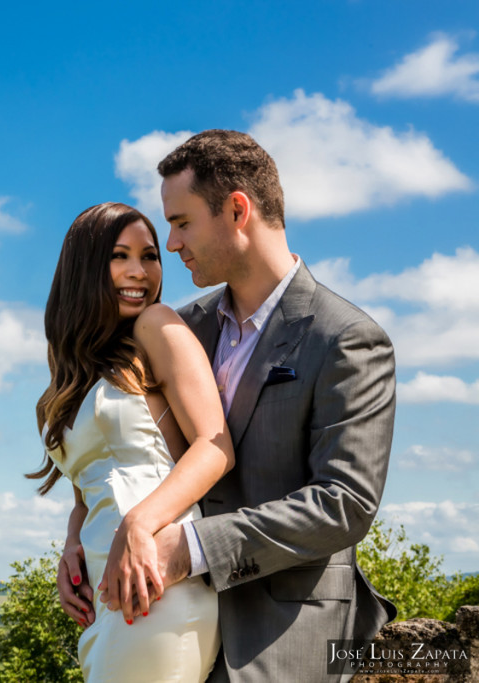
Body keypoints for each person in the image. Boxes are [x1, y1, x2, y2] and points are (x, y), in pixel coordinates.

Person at [57, 130, 397, 682]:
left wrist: (187, 548)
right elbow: (123, 447)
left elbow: (345, 503)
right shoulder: (174, 328)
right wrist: (78, 539)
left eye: (181, 222)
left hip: (279, 634)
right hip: (157, 615)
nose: (170, 244)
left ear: (237, 210)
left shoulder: (345, 338)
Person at [32, 202, 234, 682]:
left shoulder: (156, 327)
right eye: (120, 256)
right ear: (84, 267)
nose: (139, 272)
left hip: (158, 583)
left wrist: (139, 525)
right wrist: (71, 546)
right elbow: (90, 490)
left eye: (150, 257)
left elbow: (215, 444)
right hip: (105, 592)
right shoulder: (72, 374)